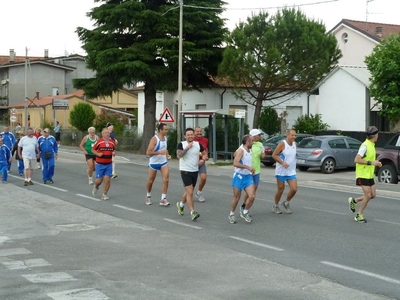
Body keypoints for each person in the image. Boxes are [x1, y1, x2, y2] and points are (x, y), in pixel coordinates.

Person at [348, 126, 382, 223]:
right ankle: (359, 215)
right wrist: (372, 163)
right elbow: (357, 159)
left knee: (373, 195)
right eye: (377, 134)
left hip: (369, 174)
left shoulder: (372, 145)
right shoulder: (365, 146)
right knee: (367, 195)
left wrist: (376, 162)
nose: (378, 136)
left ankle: (354, 201)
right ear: (375, 135)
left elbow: (370, 159)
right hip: (362, 174)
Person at [176, 128, 207, 221]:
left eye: (191, 134)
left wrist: (203, 160)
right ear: (185, 136)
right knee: (190, 192)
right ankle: (192, 212)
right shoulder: (182, 144)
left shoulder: (198, 145)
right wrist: (187, 148)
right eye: (188, 135)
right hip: (185, 170)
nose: (190, 136)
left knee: (190, 190)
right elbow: (179, 156)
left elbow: (205, 154)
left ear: (193, 135)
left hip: (195, 170)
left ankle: (181, 204)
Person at [228, 134, 255, 224]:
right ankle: (231, 214)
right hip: (239, 176)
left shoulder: (250, 150)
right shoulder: (241, 151)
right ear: (247, 142)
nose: (253, 142)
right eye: (252, 141)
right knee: (237, 198)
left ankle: (245, 212)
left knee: (252, 196)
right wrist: (247, 167)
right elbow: (235, 163)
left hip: (248, 176)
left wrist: (251, 169)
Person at [272, 129, 298, 214]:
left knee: (294, 189)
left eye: (295, 135)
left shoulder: (295, 144)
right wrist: (282, 162)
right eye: (292, 135)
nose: (294, 137)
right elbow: (274, 155)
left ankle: (286, 203)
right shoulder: (282, 144)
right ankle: (275, 205)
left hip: (291, 171)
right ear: (287, 135)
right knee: (280, 189)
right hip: (281, 171)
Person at [240, 129, 265, 215]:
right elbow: (237, 155)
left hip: (256, 170)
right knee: (251, 192)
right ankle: (244, 207)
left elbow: (262, 155)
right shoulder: (246, 144)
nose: (260, 136)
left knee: (254, 190)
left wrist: (263, 155)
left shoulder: (260, 144)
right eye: (259, 135)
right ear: (254, 136)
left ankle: (244, 206)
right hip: (247, 171)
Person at [145, 123, 171, 206]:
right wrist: (159, 152)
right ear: (160, 130)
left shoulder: (165, 138)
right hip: (154, 163)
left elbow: (165, 150)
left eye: (167, 129)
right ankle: (148, 196)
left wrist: (167, 155)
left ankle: (163, 199)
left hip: (163, 162)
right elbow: (148, 152)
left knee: (166, 179)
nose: (167, 131)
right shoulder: (154, 139)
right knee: (151, 180)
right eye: (165, 130)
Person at [91, 127, 116, 200]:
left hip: (108, 164)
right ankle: (96, 186)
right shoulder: (99, 141)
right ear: (102, 134)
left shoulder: (112, 142)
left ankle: (104, 194)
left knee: (107, 179)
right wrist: (98, 154)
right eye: (106, 132)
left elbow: (114, 150)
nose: (107, 134)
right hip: (100, 164)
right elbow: (93, 150)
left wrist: (114, 153)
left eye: (108, 132)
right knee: (99, 180)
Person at [193, 126, 209, 202]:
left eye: (200, 131)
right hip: (192, 163)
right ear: (194, 132)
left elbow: (206, 149)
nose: (199, 133)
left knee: (203, 178)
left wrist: (205, 157)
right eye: (197, 131)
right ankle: (188, 195)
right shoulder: (191, 140)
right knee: (192, 181)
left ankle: (199, 192)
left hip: (201, 162)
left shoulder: (205, 140)